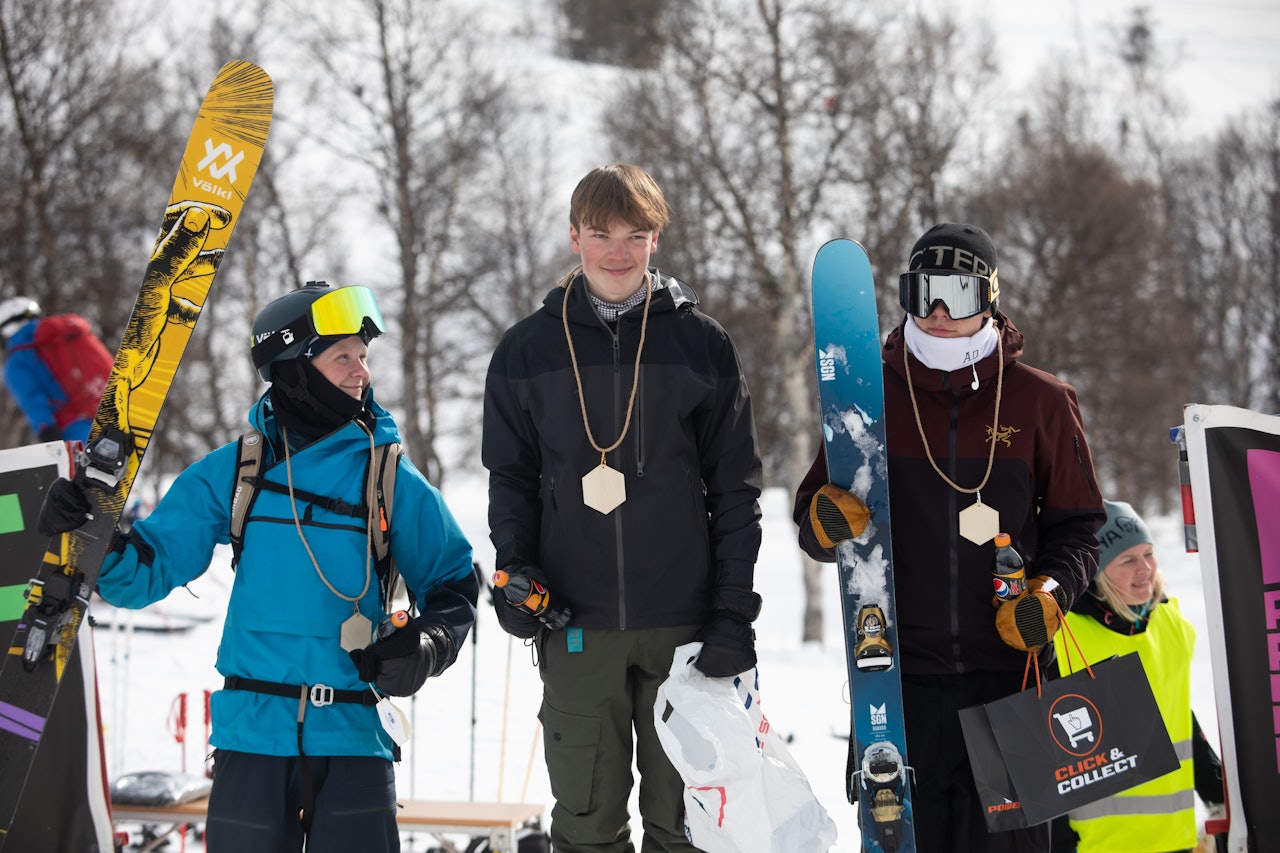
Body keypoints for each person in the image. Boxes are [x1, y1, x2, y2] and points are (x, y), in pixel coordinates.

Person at [38, 281, 478, 852]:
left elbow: (454, 584)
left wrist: (429, 643)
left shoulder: (389, 476)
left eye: (364, 357)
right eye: (342, 356)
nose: (361, 371)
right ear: (293, 366)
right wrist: (93, 533)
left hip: (351, 740)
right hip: (250, 741)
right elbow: (145, 572)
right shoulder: (238, 470)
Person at [793, 222, 1105, 852]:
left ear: (988, 297)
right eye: (923, 291)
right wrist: (824, 521)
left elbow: (1080, 528)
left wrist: (1046, 593)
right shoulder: (868, 391)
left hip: (1014, 684)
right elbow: (813, 517)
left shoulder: (1040, 401)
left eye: (957, 294)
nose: (937, 313)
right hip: (900, 685)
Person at [483, 163, 765, 853]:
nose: (617, 251)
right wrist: (516, 573)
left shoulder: (701, 343)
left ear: (655, 239)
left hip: (686, 634)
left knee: (689, 825)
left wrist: (732, 615)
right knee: (585, 825)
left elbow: (737, 493)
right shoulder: (526, 350)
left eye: (634, 235)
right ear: (574, 236)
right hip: (577, 628)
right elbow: (510, 482)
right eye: (601, 233)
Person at [1050, 500, 1224, 853]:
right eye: (1127, 560)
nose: (1144, 568)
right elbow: (1042, 750)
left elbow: (1178, 717)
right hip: (1093, 845)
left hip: (1173, 838)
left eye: (1148, 554)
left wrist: (1218, 794)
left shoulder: (1171, 623)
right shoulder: (1064, 637)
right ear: (1095, 572)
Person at [0, 296, 113, 443]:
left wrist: (46, 430)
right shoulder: (63, 334)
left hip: (74, 428)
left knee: (95, 465)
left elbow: (33, 399)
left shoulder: (16, 362)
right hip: (108, 408)